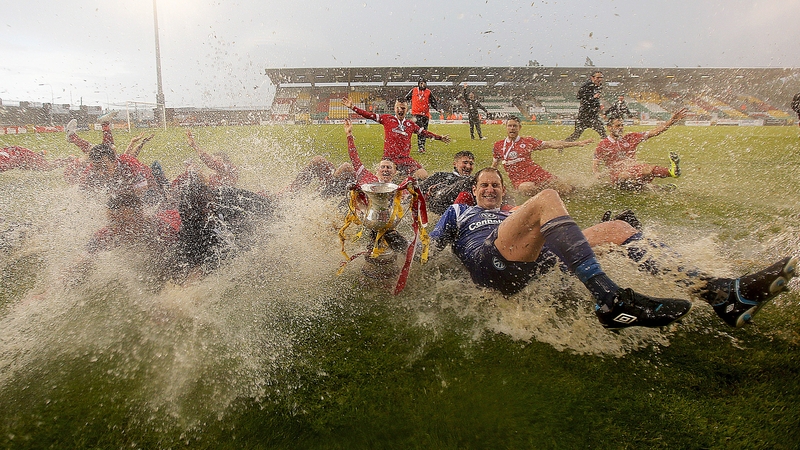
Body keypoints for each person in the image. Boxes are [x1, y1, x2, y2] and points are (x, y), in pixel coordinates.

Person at [429, 167, 797, 329]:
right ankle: (610, 299)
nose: (490, 190)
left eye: (495, 185)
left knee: (616, 228)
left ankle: (719, 292)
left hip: (528, 261)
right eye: (484, 186)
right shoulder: (459, 211)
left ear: (503, 191)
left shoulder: (513, 213)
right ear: (473, 190)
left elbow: (553, 237)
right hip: (487, 261)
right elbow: (432, 248)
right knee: (547, 198)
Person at [341, 96, 451, 179]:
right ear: (394, 108)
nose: (400, 110)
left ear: (406, 109)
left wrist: (439, 138)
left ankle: (410, 192)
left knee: (423, 175)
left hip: (405, 160)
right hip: (389, 159)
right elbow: (369, 115)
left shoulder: (410, 124)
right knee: (378, 182)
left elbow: (425, 133)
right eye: (398, 107)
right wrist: (352, 107)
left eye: (403, 108)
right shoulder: (387, 119)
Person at [284, 119, 398, 198]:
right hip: (339, 184)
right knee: (318, 160)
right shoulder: (367, 175)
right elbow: (354, 157)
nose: (385, 169)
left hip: (345, 189)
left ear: (394, 172)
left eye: (388, 167)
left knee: (345, 167)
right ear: (377, 170)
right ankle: (292, 191)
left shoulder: (396, 190)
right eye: (382, 167)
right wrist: (349, 135)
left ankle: (318, 195)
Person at [491, 116, 592, 196]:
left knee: (565, 189)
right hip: (520, 180)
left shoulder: (527, 141)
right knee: (527, 188)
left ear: (519, 128)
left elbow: (552, 144)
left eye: (515, 126)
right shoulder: (498, 145)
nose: (512, 128)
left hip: (536, 173)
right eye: (510, 126)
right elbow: (494, 165)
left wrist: (577, 143)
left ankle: (580, 189)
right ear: (506, 127)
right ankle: (544, 199)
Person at [593, 108, 688, 189]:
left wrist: (671, 121)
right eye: (618, 125)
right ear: (609, 127)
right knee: (629, 174)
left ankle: (671, 173)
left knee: (646, 170)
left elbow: (654, 132)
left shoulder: (630, 138)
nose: (621, 128)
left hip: (632, 170)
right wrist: (597, 173)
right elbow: (596, 160)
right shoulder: (604, 144)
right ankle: (652, 187)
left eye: (622, 125)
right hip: (618, 176)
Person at [418, 150, 477, 214]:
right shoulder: (440, 176)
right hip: (439, 204)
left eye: (471, 164)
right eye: (465, 163)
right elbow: (419, 189)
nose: (468, 166)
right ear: (455, 164)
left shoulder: (474, 183)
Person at [405, 77, 445, 153]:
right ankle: (420, 146)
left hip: (425, 115)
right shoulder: (414, 90)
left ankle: (422, 146)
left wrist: (437, 109)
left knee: (424, 131)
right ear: (418, 84)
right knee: (421, 129)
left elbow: (433, 102)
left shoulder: (428, 92)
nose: (422, 84)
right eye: (421, 83)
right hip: (416, 114)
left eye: (424, 83)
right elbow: (406, 98)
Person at [565, 71, 607, 141]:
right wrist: (592, 97)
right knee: (576, 135)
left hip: (593, 116)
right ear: (592, 78)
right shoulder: (586, 85)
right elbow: (578, 96)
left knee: (603, 133)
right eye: (598, 77)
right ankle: (562, 144)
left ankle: (608, 148)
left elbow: (595, 99)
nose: (600, 79)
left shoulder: (599, 86)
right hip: (584, 116)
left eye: (601, 77)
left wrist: (598, 106)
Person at [0, 146, 71, 172]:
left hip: (22, 155)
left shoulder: (2, 164)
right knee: (28, 167)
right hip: (15, 153)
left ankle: (68, 160)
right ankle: (39, 155)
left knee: (46, 167)